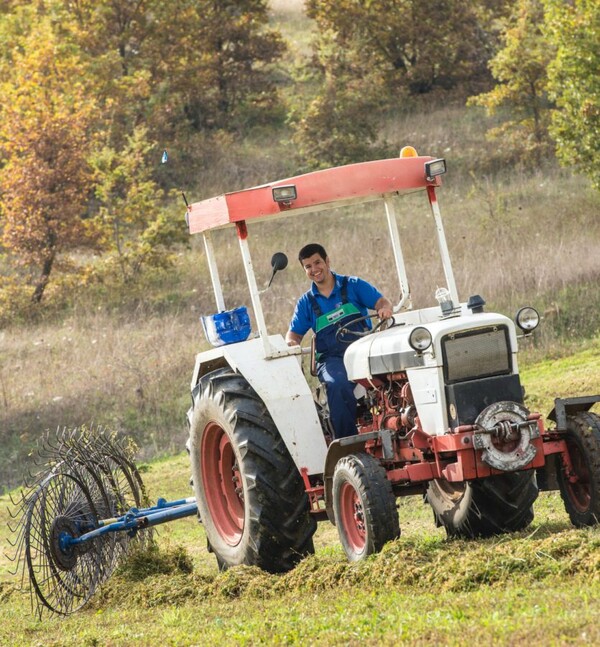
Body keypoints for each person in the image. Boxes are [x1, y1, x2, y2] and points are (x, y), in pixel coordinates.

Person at [285, 243, 393, 439]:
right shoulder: (305, 303)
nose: (314, 269)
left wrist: (384, 310)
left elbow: (381, 302)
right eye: (308, 266)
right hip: (331, 360)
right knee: (337, 384)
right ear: (304, 270)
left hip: (361, 350)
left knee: (392, 378)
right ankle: (348, 442)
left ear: (327, 261)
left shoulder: (353, 285)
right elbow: (293, 335)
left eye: (317, 262)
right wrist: (291, 343)